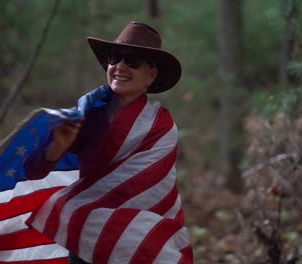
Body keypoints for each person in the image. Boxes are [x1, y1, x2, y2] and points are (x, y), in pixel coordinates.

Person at [24, 22, 192, 263]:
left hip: (138, 241)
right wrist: (58, 146)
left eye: (132, 60)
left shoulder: (160, 124)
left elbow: (145, 192)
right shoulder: (87, 113)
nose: (120, 67)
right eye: (114, 58)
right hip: (86, 235)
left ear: (151, 75)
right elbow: (33, 170)